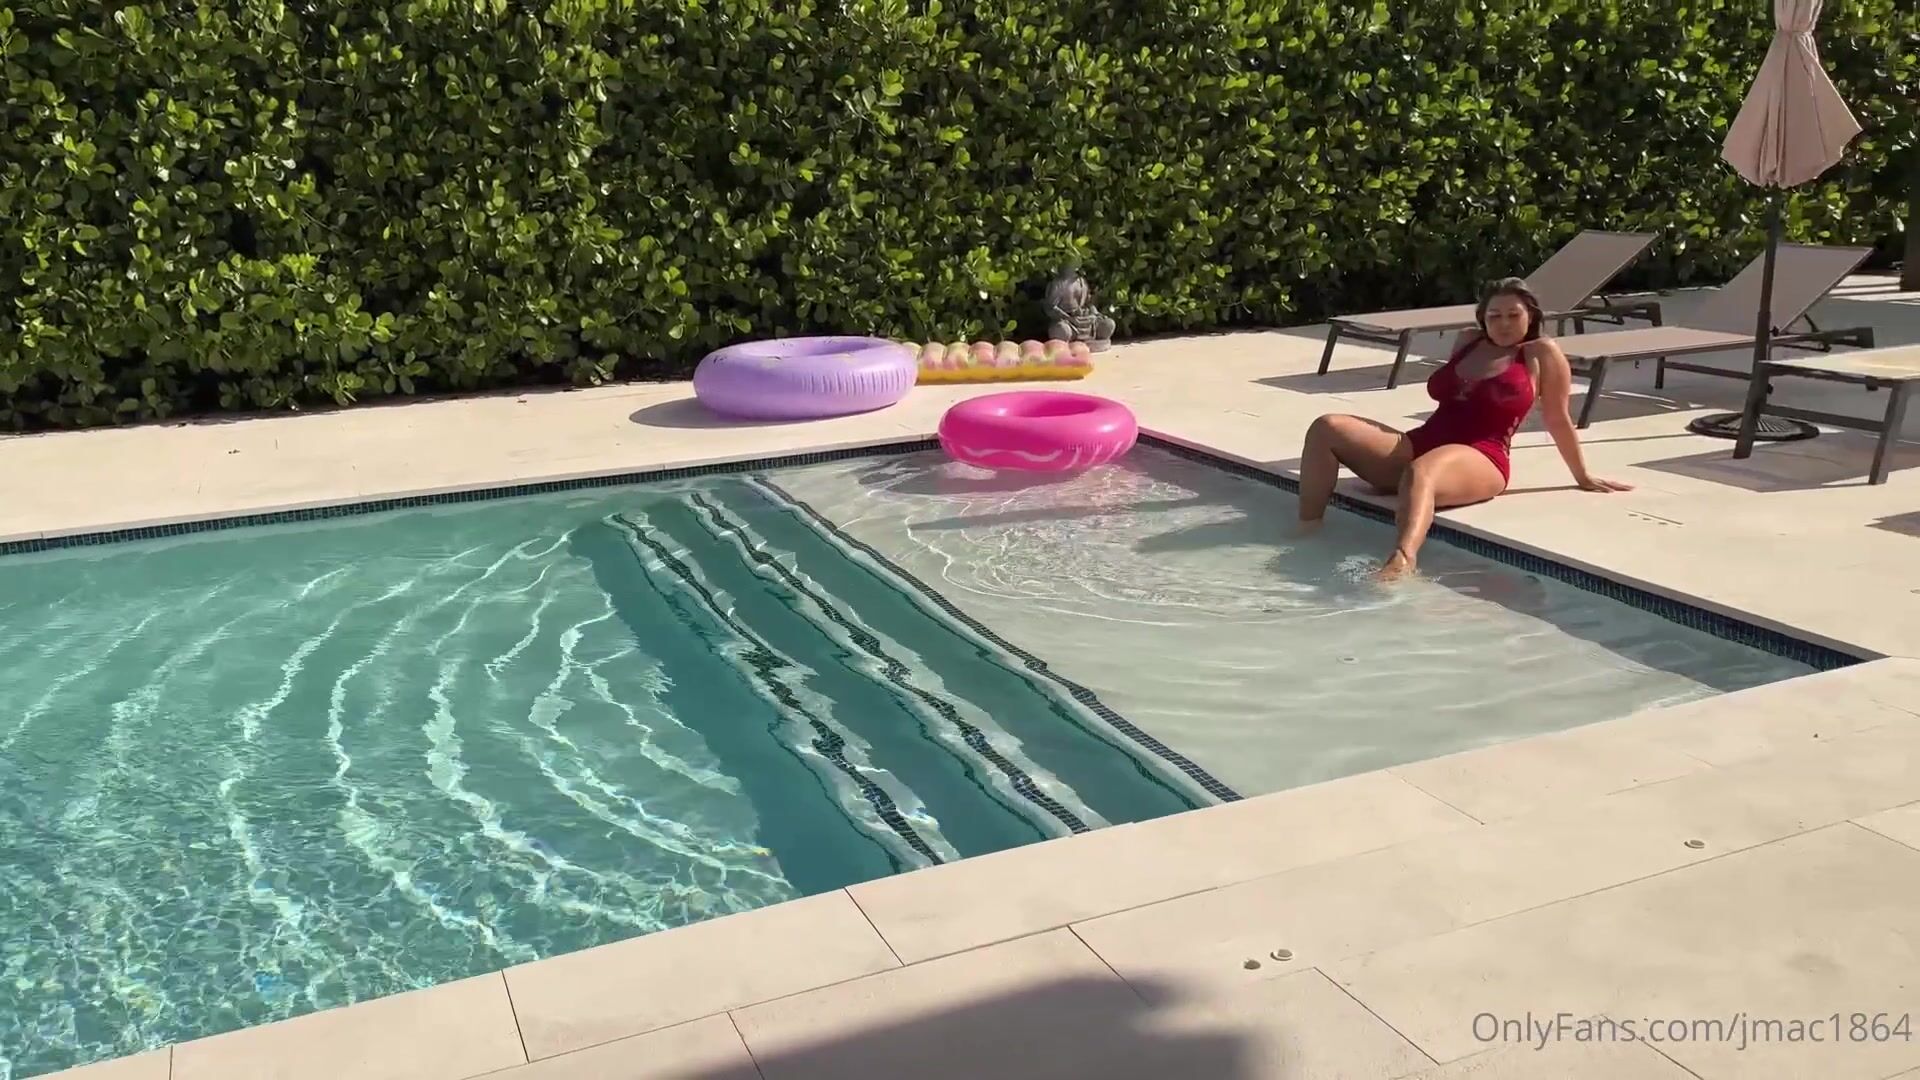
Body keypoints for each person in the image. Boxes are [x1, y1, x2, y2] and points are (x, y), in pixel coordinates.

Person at [1296, 277, 1631, 580]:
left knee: (1422, 471)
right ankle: (1307, 531)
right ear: (1482, 318)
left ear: (1530, 315)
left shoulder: (1541, 353)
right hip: (1422, 441)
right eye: (1494, 316)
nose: (1504, 323)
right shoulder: (1468, 341)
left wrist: (1582, 476)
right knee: (1327, 427)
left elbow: (1557, 418)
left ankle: (1402, 561)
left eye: (1513, 315)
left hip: (1482, 455)